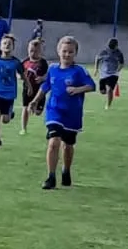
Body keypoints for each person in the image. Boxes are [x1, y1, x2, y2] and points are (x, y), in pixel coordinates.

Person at [32, 35, 96, 190]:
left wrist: (77, 89)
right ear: (58, 51)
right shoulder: (53, 69)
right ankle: (51, 177)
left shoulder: (79, 71)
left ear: (75, 53)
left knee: (68, 145)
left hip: (72, 114)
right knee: (54, 142)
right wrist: (35, 100)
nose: (67, 54)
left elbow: (91, 85)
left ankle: (66, 171)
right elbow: (46, 86)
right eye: (64, 51)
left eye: (70, 52)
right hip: (54, 111)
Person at [0, 34, 24, 146]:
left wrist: (28, 84)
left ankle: (10, 113)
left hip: (9, 93)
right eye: (4, 43)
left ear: (13, 47)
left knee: (5, 120)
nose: (7, 45)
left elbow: (22, 75)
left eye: (9, 44)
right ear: (0, 46)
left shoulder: (16, 62)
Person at [95, 36, 124, 108]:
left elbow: (121, 63)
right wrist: (96, 69)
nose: (111, 50)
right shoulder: (104, 51)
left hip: (113, 74)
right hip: (104, 74)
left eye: (113, 48)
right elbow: (97, 58)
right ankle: (107, 93)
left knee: (109, 89)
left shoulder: (119, 53)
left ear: (116, 46)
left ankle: (108, 105)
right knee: (103, 91)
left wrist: (117, 70)